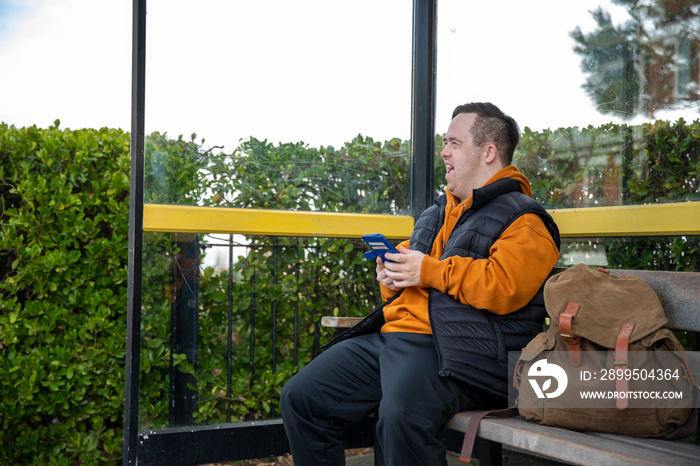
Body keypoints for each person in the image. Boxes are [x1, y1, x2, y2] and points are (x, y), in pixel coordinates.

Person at [281, 102, 561, 465]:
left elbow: (505, 287)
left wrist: (427, 271)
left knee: (401, 418)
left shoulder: (526, 220)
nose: (443, 151)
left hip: (460, 352)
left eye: (454, 143)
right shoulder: (435, 214)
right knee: (302, 398)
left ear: (489, 152)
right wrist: (392, 278)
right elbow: (414, 277)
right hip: (396, 339)